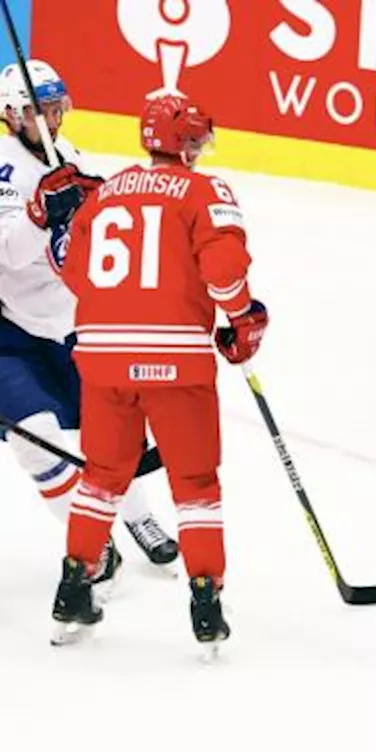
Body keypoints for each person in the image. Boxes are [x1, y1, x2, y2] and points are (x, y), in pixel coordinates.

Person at [51, 93, 267, 652]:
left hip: (100, 355)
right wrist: (242, 318)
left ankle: (73, 588)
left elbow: (74, 273)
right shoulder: (204, 190)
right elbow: (223, 273)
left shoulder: (102, 196)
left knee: (101, 474)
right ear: (189, 142)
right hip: (175, 359)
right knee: (194, 482)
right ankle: (205, 601)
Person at [0, 59, 177, 577]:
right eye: (39, 111)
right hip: (9, 329)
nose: (52, 121)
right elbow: (9, 253)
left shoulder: (70, 158)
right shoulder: (5, 170)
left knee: (112, 434)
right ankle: (95, 542)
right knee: (37, 440)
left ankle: (138, 516)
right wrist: (39, 213)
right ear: (11, 115)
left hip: (69, 324)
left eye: (57, 109)